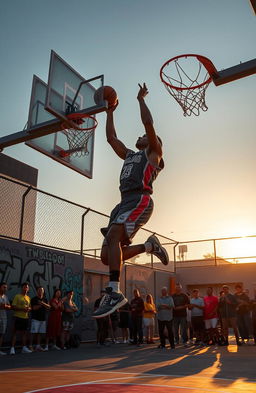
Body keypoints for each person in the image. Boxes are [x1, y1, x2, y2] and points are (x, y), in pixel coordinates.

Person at [93, 83, 169, 319]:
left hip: (140, 199)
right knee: (107, 256)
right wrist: (110, 112)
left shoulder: (153, 153)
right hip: (123, 203)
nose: (140, 135)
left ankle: (114, 291)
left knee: (114, 235)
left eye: (144, 136)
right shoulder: (129, 155)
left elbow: (148, 124)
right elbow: (110, 137)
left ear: (152, 140)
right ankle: (149, 247)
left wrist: (140, 100)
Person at [10, 282, 32, 355]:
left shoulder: (28, 298)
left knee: (24, 333)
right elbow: (13, 307)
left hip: (25, 317)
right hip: (17, 317)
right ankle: (12, 348)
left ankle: (24, 348)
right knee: (15, 333)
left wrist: (29, 309)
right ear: (22, 288)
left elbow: (30, 307)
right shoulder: (17, 296)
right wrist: (22, 309)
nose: (26, 289)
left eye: (27, 287)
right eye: (25, 287)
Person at [30, 286, 51, 351]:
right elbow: (33, 308)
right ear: (37, 291)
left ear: (43, 291)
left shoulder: (45, 299)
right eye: (39, 290)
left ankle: (38, 346)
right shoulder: (34, 299)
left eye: (42, 290)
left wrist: (42, 303)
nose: (40, 292)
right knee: (33, 333)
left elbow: (49, 307)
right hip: (35, 319)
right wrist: (40, 305)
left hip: (43, 319)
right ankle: (30, 346)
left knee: (40, 333)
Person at [0, 282, 11, 355]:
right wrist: (4, 305)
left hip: (3, 318)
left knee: (1, 334)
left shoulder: (5, 297)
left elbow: (9, 306)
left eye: (6, 287)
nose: (5, 289)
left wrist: (5, 306)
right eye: (4, 287)